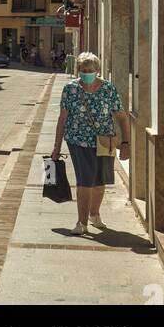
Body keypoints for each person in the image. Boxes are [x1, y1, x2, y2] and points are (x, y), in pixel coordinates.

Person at [50, 51, 130, 236]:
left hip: (104, 141)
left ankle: (94, 214)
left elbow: (122, 118)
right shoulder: (70, 89)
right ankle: (81, 222)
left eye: (90, 69)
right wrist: (56, 146)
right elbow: (63, 118)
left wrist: (126, 143)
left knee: (100, 181)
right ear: (78, 70)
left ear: (98, 70)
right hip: (77, 140)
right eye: (83, 69)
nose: (87, 72)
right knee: (85, 181)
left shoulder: (108, 89)